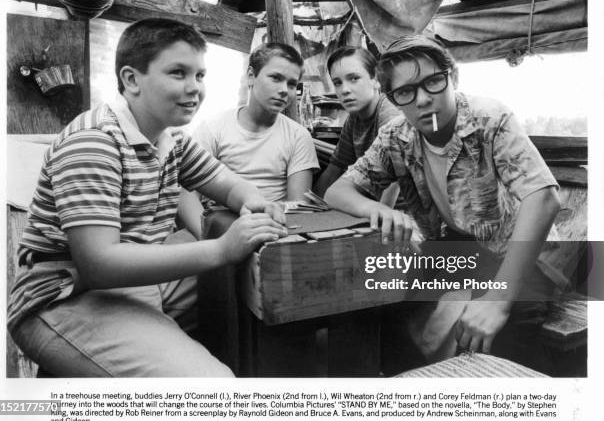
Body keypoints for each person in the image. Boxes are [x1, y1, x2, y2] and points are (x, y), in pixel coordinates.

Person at [7, 18, 287, 377]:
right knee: (212, 387)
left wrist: (255, 200)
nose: (194, 89)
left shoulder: (171, 139)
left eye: (200, 76)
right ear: (131, 79)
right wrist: (220, 249)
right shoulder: (94, 142)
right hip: (64, 297)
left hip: (131, 282)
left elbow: (227, 183)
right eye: (178, 73)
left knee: (254, 287)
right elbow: (100, 263)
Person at [325, 34, 561, 363]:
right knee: (383, 303)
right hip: (458, 248)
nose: (422, 100)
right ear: (394, 97)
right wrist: (378, 209)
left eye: (433, 82)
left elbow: (544, 198)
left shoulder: (490, 120)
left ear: (453, 78)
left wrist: (498, 299)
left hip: (522, 251)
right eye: (406, 91)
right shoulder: (397, 136)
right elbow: (337, 191)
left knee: (508, 335)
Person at [178, 42, 319, 236]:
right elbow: (187, 193)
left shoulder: (298, 136)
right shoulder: (214, 128)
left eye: (292, 84)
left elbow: (298, 206)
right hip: (219, 224)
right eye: (276, 78)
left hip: (273, 227)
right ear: (251, 75)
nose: (284, 90)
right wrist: (208, 237)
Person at [313, 46, 402, 201]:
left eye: (354, 78)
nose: (345, 90)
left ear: (376, 79)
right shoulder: (354, 119)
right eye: (337, 83)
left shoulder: (389, 112)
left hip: (401, 213)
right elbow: (336, 167)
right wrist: (310, 204)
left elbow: (392, 176)